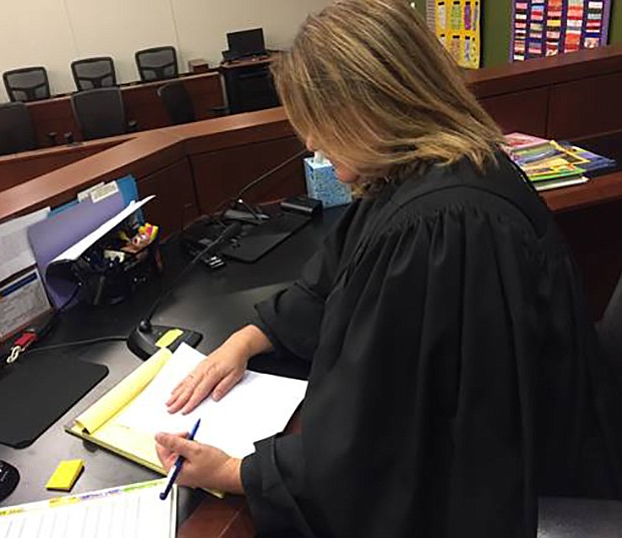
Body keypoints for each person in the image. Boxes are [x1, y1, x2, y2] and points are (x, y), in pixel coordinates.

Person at [155, 1, 622, 536]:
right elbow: (336, 278)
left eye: (319, 122)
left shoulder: (445, 224)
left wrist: (239, 473)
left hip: (519, 485)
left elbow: (384, 437)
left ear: (371, 108)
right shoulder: (426, 174)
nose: (311, 142)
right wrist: (249, 338)